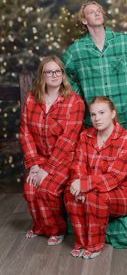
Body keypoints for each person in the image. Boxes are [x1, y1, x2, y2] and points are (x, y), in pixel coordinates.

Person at [61, 0, 127, 139]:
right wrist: (79, 94)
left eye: (98, 11)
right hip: (95, 117)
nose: (97, 13)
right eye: (91, 12)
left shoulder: (124, 41)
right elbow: (60, 72)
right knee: (97, 158)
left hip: (122, 110)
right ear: (84, 20)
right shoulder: (76, 50)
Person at [64, 96, 127, 259]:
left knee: (94, 197)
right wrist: (78, 184)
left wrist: (84, 184)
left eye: (101, 113)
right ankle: (81, 242)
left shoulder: (126, 140)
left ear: (113, 113)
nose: (97, 118)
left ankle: (94, 245)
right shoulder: (85, 136)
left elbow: (115, 177)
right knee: (70, 193)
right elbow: (78, 164)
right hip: (92, 186)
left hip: (124, 191)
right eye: (93, 114)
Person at [20, 55, 85, 246]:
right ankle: (41, 226)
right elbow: (25, 133)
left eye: (58, 71)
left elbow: (68, 140)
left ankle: (56, 229)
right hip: (39, 160)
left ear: (62, 74)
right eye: (49, 71)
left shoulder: (74, 102)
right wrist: (34, 165)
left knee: (47, 190)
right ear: (42, 75)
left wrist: (47, 169)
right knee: (30, 190)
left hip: (64, 159)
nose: (54, 75)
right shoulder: (32, 99)